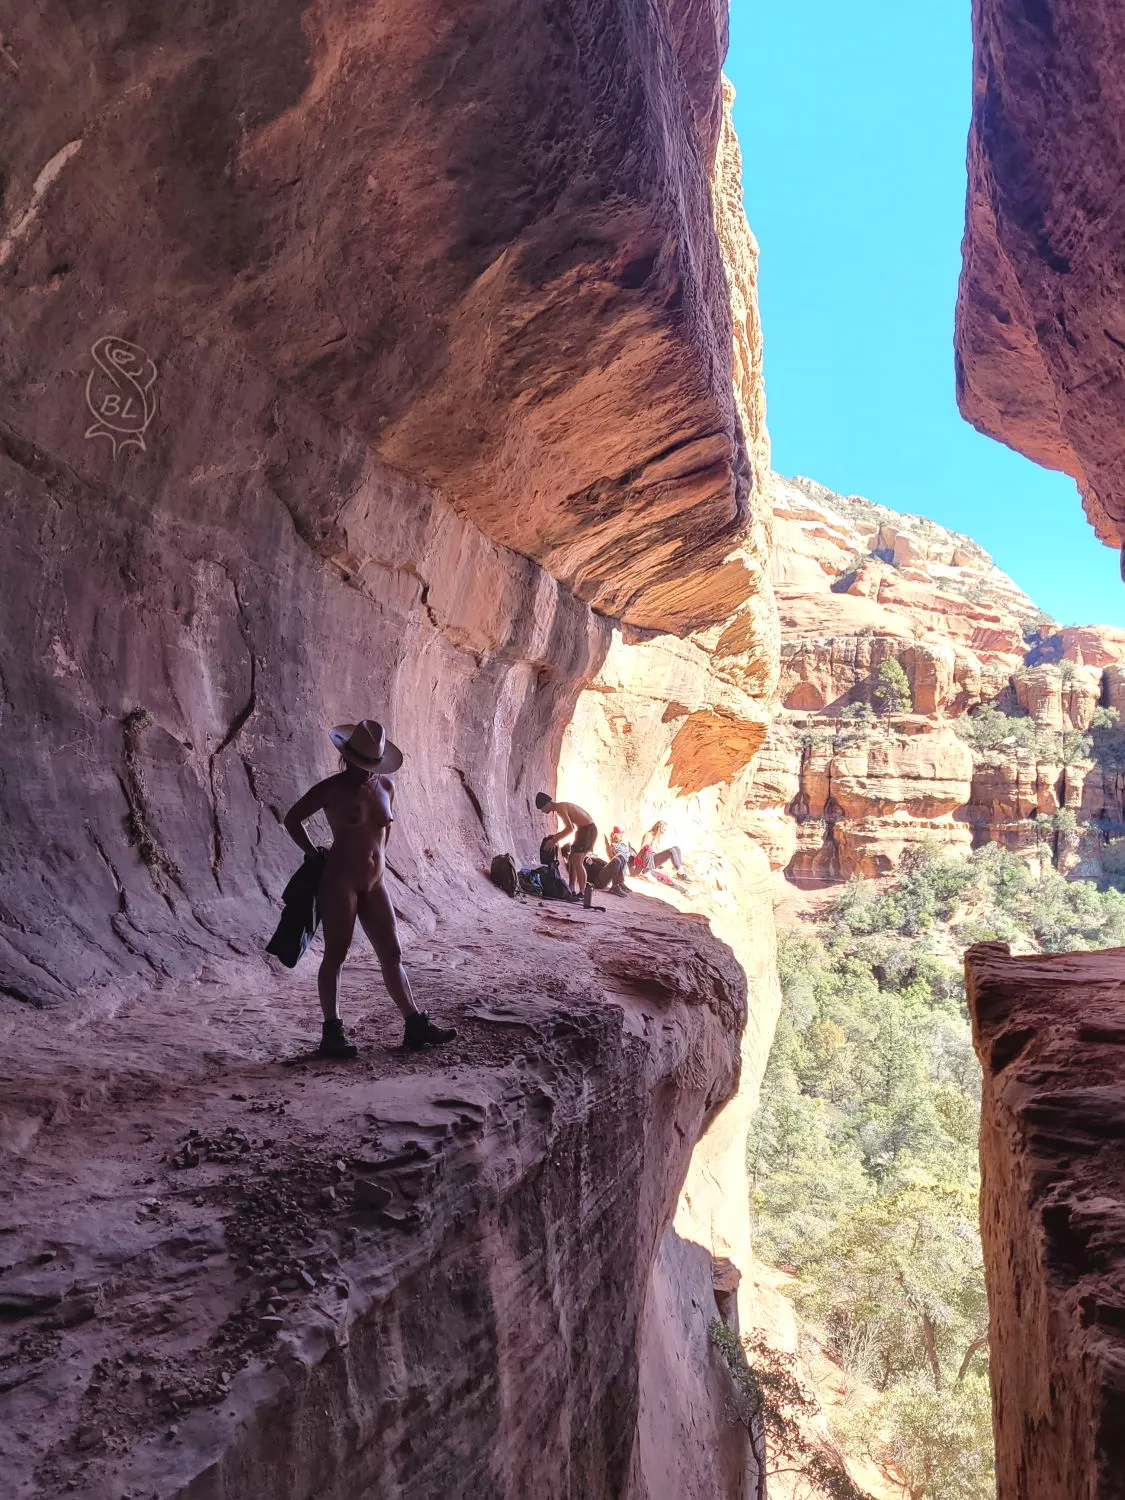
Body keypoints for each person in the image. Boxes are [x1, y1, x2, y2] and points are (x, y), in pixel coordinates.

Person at [283, 719, 457, 1058]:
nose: (365, 772)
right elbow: (292, 818)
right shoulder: (331, 789)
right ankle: (332, 1032)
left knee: (392, 952)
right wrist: (312, 851)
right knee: (337, 953)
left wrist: (377, 862)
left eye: (370, 766)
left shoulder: (387, 787)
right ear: (346, 758)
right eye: (359, 765)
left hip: (374, 881)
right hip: (339, 880)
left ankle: (414, 1024)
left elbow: (383, 833)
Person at [535, 792, 597, 897]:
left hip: (588, 831)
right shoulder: (560, 807)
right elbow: (571, 828)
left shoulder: (560, 807)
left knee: (578, 862)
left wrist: (554, 841)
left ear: (547, 804)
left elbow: (570, 828)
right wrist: (555, 837)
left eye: (542, 808)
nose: (542, 811)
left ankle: (583, 893)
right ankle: (571, 888)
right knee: (572, 860)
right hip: (583, 830)